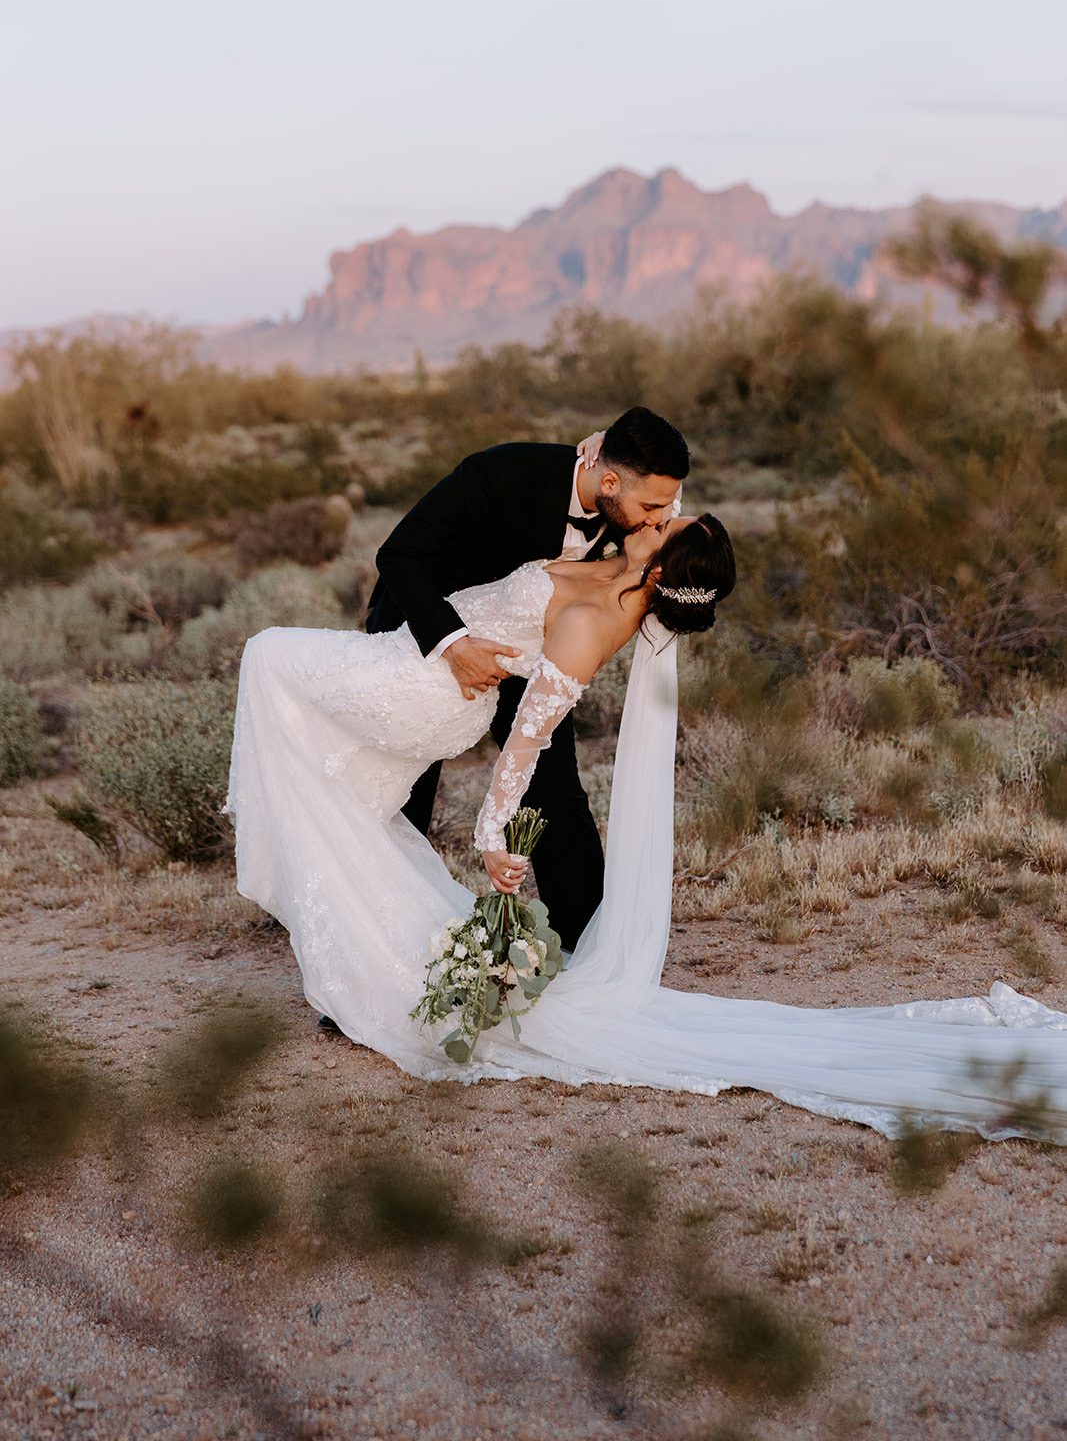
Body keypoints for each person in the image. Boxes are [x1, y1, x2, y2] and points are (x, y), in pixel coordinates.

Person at [226, 482, 1067, 1146]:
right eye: (663, 507)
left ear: (660, 570)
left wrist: (491, 836)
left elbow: (528, 736)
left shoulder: (597, 620)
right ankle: (340, 931)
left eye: (668, 521)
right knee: (345, 797)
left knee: (266, 657)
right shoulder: (619, 571)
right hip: (418, 674)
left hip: (430, 693)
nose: (659, 514)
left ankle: (316, 911)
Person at [364, 405, 691, 952]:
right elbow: (399, 556)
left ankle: (589, 949)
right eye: (654, 507)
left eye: (664, 507)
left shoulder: (636, 506)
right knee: (406, 790)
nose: (662, 517)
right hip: (427, 636)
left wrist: (605, 442)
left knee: (554, 784)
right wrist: (453, 645)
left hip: (533, 649)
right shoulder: (500, 474)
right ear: (607, 481)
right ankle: (378, 957)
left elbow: (666, 512)